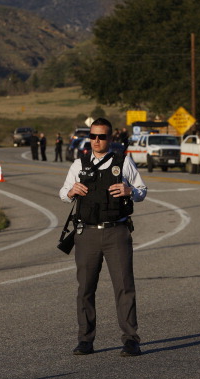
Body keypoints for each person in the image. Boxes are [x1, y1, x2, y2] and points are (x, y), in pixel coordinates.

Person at [59, 117, 147, 357]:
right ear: (89, 137)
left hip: (116, 232)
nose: (97, 141)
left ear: (111, 138)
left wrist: (130, 190)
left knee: (124, 287)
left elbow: (142, 191)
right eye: (93, 136)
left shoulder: (123, 162)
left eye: (102, 136)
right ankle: (85, 340)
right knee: (85, 288)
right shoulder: (78, 164)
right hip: (86, 234)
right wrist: (71, 191)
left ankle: (131, 340)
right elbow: (63, 194)